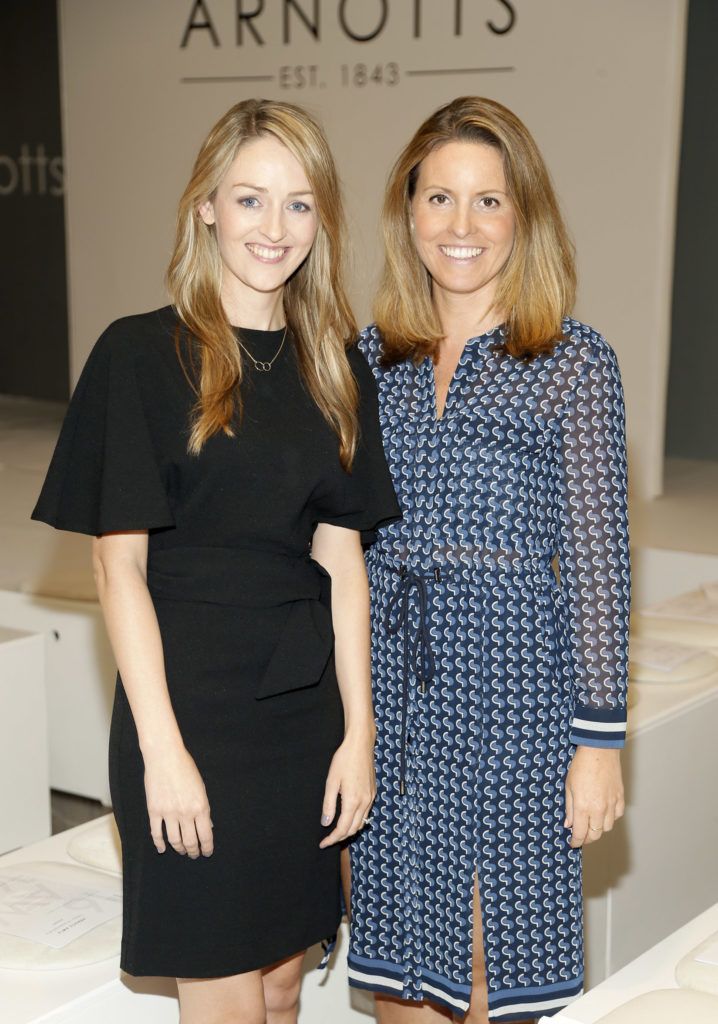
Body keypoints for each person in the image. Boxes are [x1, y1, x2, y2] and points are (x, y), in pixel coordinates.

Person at [32, 98, 399, 1024]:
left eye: (300, 205)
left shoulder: (334, 368)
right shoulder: (139, 355)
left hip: (301, 719)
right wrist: (163, 753)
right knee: (227, 993)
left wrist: (359, 735)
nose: (274, 230)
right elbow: (119, 572)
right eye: (249, 200)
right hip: (187, 713)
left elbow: (344, 565)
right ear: (205, 206)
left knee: (283, 983)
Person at [347, 96, 630, 1024]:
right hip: (390, 690)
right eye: (439, 199)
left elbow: (598, 569)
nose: (460, 226)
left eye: (488, 201)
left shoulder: (572, 362)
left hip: (516, 703)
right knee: (392, 961)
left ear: (526, 216)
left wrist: (597, 746)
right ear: (408, 212)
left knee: (485, 963)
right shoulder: (368, 358)